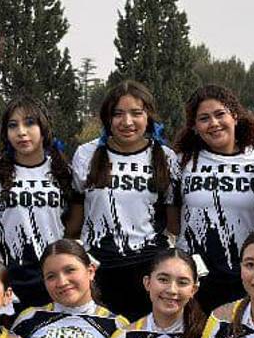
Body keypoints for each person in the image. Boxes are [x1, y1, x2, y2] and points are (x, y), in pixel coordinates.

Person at [69, 81, 178, 319]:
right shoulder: (85, 154)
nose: (127, 122)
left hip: (149, 269)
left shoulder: (166, 157)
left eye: (136, 113)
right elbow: (75, 217)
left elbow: (173, 224)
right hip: (99, 268)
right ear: (107, 118)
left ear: (148, 116)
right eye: (118, 114)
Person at [173, 85, 254, 311]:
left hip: (247, 274)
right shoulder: (183, 161)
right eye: (204, 118)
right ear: (195, 127)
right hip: (196, 276)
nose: (214, 123)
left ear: (235, 116)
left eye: (220, 114)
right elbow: (172, 219)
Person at [0, 98, 73, 311]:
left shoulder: (63, 172)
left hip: (52, 280)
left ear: (44, 128)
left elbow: (76, 224)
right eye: (13, 125)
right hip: (4, 280)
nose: (21, 131)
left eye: (29, 123)